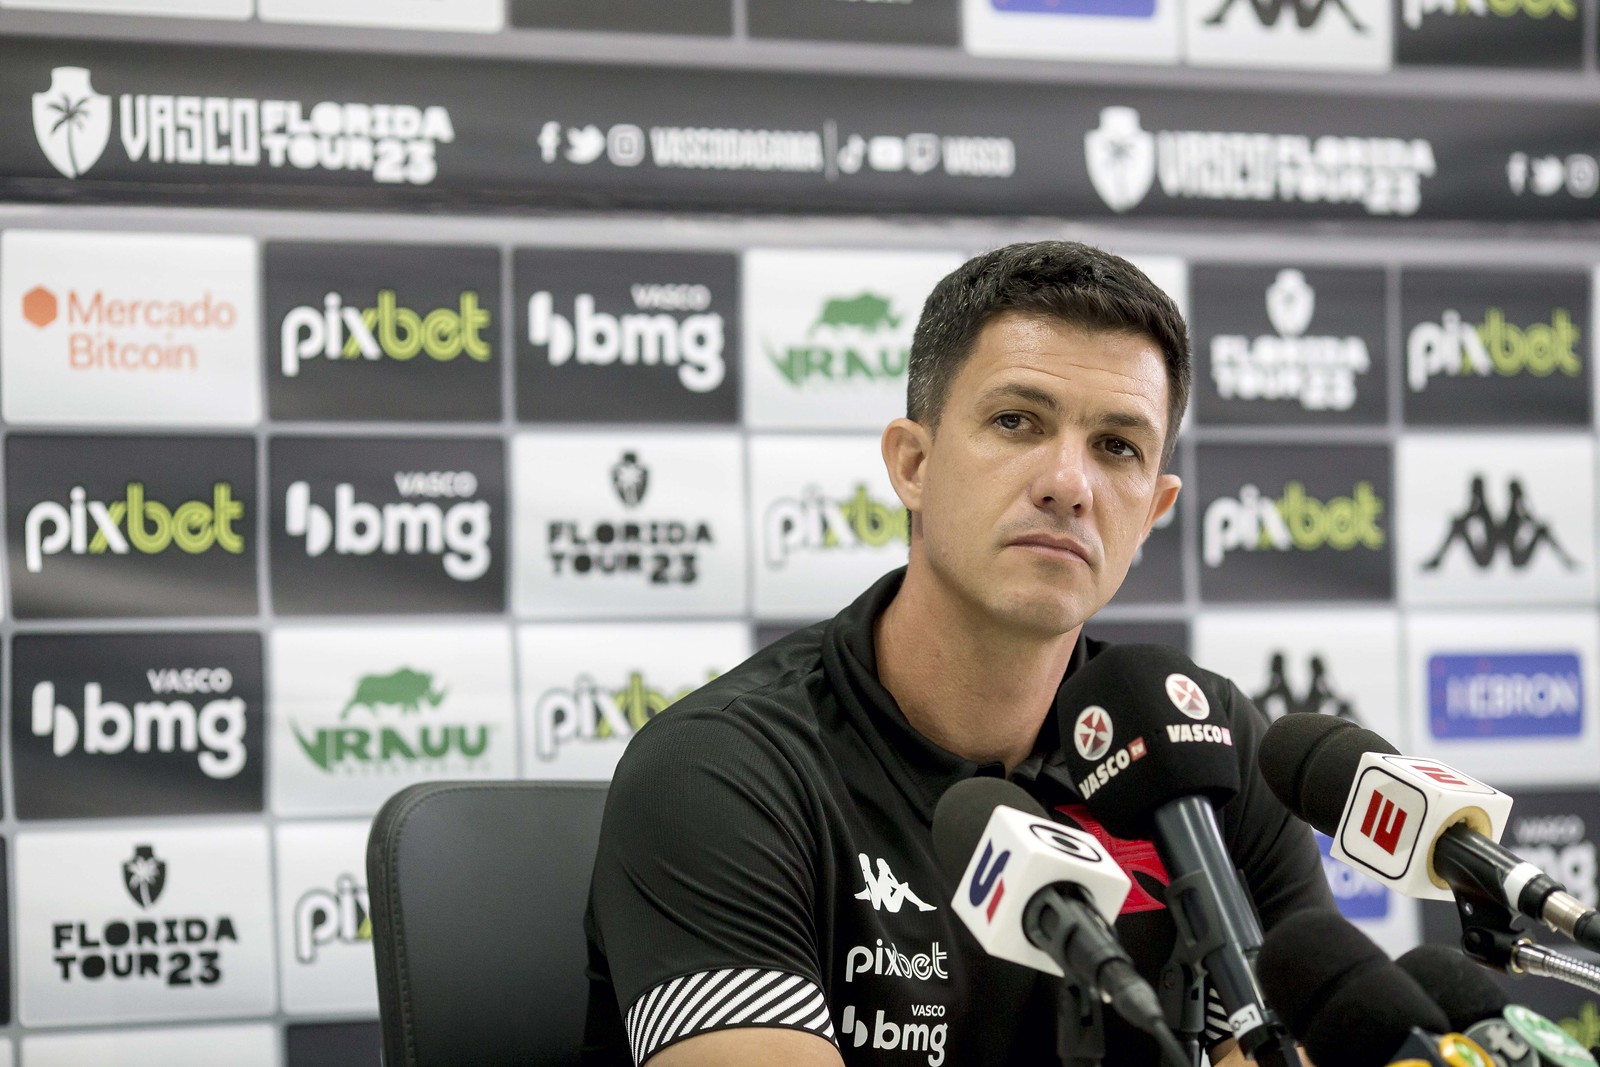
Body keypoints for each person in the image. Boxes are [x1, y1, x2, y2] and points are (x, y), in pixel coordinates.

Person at [580, 241, 1335, 1067]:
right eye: (1017, 421)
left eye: (1118, 446)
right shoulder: (721, 768)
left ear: (1154, 507)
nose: (1068, 483)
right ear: (913, 463)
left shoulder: (1203, 748)